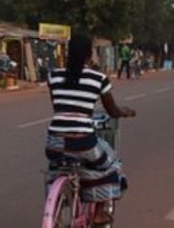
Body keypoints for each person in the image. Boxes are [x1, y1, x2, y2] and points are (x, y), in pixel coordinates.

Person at [45, 34, 136, 225]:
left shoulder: (54, 75)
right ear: (89, 54)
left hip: (54, 142)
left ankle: (59, 199)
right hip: (82, 141)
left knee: (57, 166)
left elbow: (60, 107)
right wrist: (124, 112)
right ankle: (100, 212)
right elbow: (112, 110)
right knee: (111, 163)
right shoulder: (98, 78)